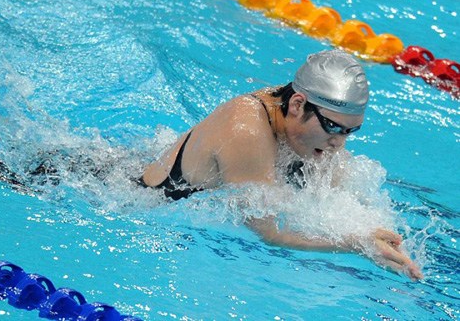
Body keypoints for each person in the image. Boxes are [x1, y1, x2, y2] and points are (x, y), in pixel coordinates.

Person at [140, 49, 424, 280]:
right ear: (298, 105)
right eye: (333, 128)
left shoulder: (308, 127)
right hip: (148, 211)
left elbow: (339, 194)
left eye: (350, 132)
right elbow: (269, 232)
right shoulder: (246, 130)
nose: (339, 144)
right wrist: (355, 244)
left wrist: (376, 234)